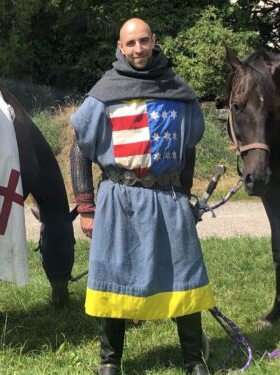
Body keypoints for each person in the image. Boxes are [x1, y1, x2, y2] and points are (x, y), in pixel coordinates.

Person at [69, 18, 214, 375]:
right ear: (120, 47)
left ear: (154, 41)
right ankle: (110, 362)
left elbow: (188, 146)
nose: (138, 49)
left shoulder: (178, 90)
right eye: (131, 43)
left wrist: (185, 195)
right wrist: (86, 208)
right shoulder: (105, 91)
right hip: (120, 198)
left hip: (167, 197)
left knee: (185, 276)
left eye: (143, 41)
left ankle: (194, 360)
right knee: (113, 277)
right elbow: (79, 150)